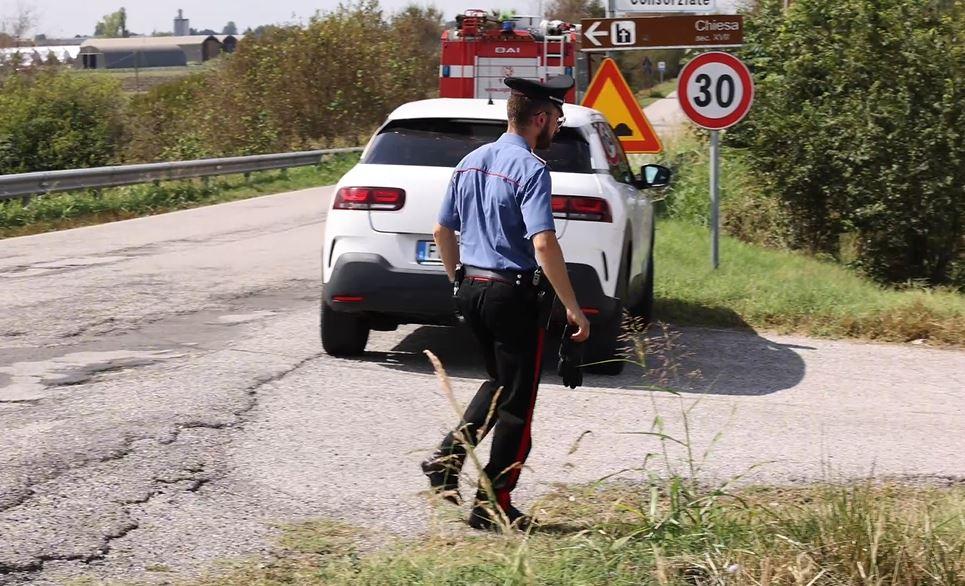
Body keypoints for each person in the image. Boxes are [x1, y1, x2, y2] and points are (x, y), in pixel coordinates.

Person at [421, 75, 591, 531]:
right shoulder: (532, 169)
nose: (557, 126)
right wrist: (572, 307)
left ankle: (445, 461)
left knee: (498, 386)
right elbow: (543, 244)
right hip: (510, 296)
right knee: (519, 406)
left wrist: (457, 281)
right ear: (539, 118)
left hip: (472, 290)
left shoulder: (470, 161)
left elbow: (442, 231)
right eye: (556, 119)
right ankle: (493, 504)